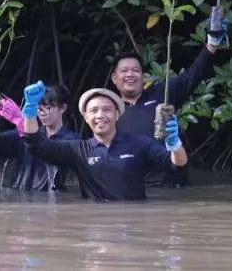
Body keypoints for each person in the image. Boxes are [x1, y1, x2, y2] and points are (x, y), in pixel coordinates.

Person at [110, 4, 225, 185]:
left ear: (143, 76)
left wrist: (212, 43)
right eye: (124, 71)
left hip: (170, 181)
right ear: (114, 78)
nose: (130, 75)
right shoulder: (109, 109)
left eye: (135, 70)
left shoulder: (161, 93)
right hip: (133, 188)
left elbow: (192, 76)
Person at [21, 81, 187, 201]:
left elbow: (177, 167)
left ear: (116, 114)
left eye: (106, 110)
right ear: (86, 117)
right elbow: (37, 145)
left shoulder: (140, 144)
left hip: (134, 225)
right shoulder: (78, 149)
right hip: (95, 229)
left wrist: (175, 144)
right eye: (94, 111)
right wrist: (29, 113)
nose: (100, 115)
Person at [0, 83, 79, 191]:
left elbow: (49, 150)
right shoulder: (22, 135)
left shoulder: (72, 140)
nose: (42, 113)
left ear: (62, 108)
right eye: (38, 108)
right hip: (21, 197)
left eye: (48, 107)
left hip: (52, 200)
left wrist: (21, 123)